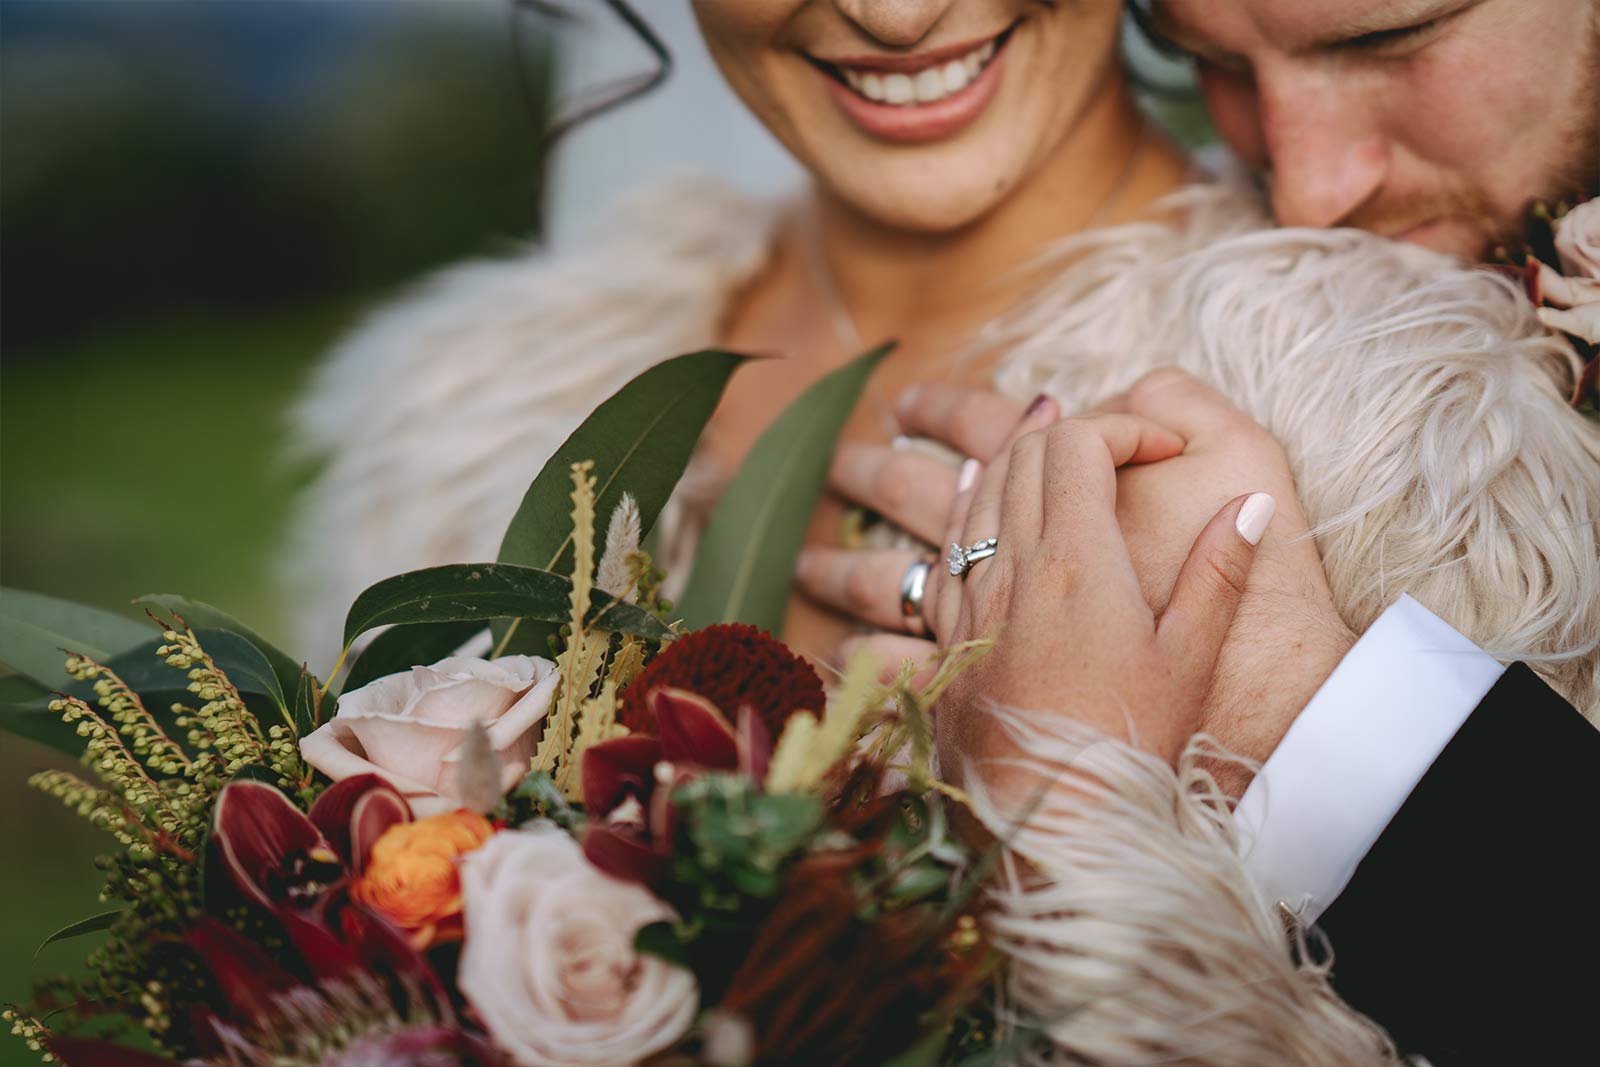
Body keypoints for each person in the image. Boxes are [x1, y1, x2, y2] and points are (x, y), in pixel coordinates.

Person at [284, 1, 1598, 1058]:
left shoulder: (1401, 425)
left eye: (1381, 39)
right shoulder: (467, 415)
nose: (897, 15)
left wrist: (1095, 861)